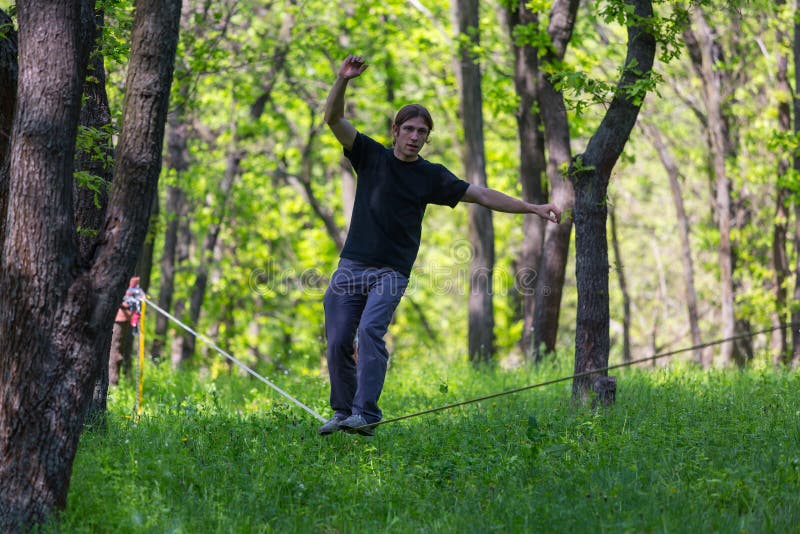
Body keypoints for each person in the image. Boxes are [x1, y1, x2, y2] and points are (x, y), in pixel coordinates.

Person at [319, 55, 561, 436]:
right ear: (395, 130)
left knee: (369, 332)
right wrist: (342, 80)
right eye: (410, 129)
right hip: (351, 267)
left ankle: (365, 415)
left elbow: (480, 194)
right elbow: (333, 119)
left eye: (422, 132)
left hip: (390, 273)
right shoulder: (370, 156)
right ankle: (342, 410)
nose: (415, 137)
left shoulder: (431, 177)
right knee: (336, 341)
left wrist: (532, 207)